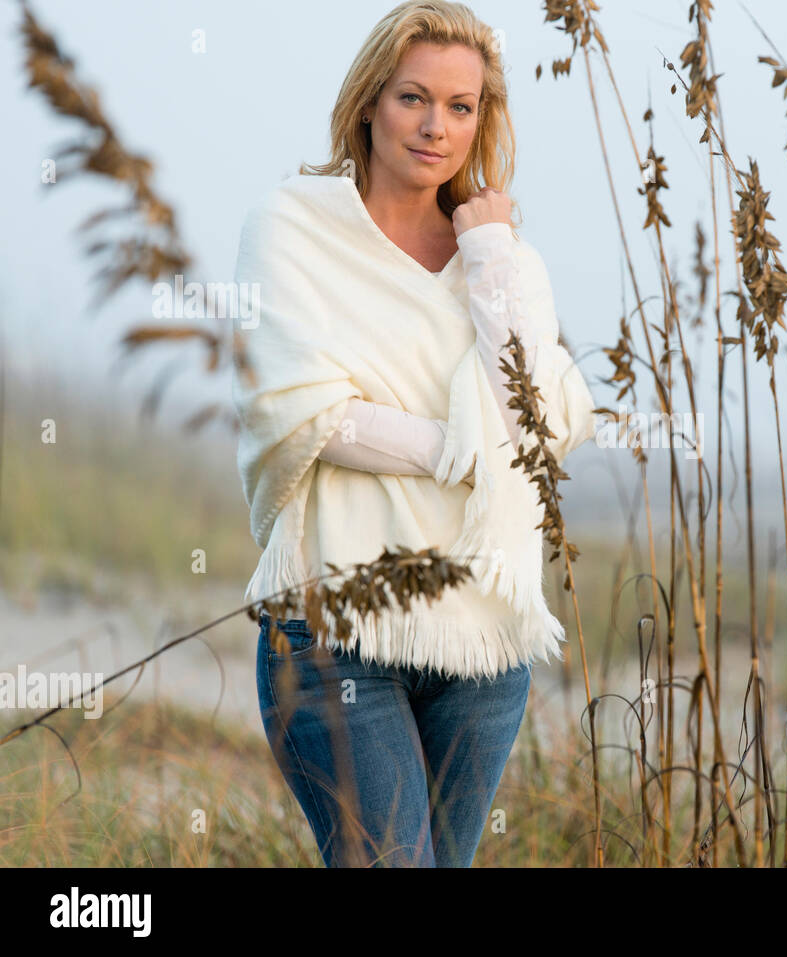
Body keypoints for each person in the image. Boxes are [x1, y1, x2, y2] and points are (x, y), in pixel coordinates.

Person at [232, 0, 597, 867]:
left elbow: (540, 426)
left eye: (461, 106)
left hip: (483, 645)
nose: (437, 126)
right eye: (413, 98)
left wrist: (492, 255)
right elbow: (308, 410)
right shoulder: (293, 226)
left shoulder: (505, 261)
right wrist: (467, 454)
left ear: (483, 119)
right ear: (369, 102)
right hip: (334, 632)